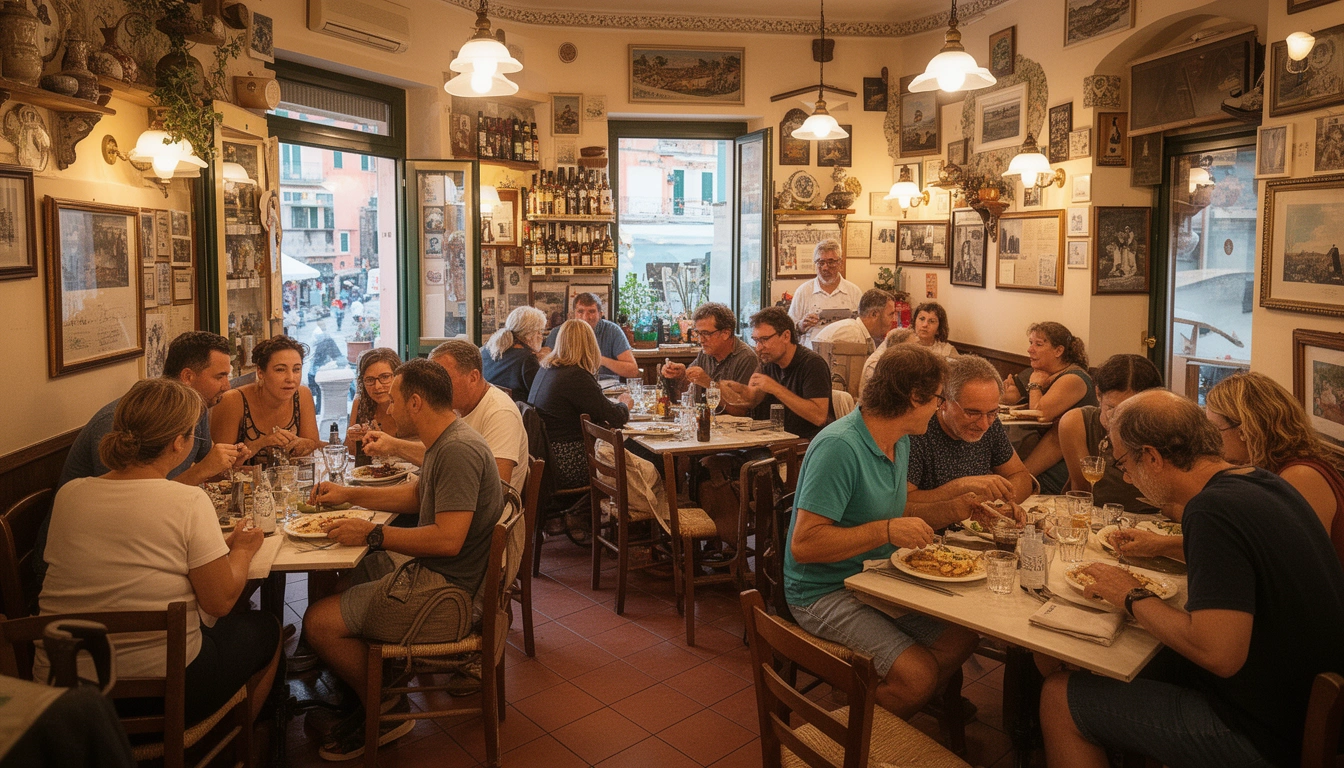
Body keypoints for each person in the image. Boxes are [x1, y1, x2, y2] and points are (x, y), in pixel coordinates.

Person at [1039, 390, 1344, 768]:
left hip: (1262, 734)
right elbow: (1242, 557)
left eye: (1123, 463)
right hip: (1302, 704)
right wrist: (1161, 546)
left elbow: (1220, 655)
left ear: (1151, 456)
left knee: (1059, 696)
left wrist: (1129, 594)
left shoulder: (1211, 510)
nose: (1128, 478)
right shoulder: (1262, 482)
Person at [37, 379, 280, 728]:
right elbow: (221, 602)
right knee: (266, 629)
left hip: (64, 687)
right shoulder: (187, 500)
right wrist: (241, 550)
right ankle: (228, 740)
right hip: (161, 690)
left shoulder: (70, 494)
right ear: (178, 443)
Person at [302, 359, 503, 760]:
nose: (388, 409)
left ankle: (387, 709)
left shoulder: (457, 451)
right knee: (347, 580)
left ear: (414, 403)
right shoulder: (447, 438)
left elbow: (448, 540)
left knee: (318, 622)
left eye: (393, 400)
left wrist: (373, 533)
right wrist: (349, 496)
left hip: (451, 596)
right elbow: (416, 498)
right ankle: (373, 683)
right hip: (446, 577)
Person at [785, 346, 982, 718]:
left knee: (962, 638)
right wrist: (887, 530)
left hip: (874, 579)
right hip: (822, 590)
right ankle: (838, 740)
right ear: (913, 398)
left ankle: (863, 699)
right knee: (919, 677)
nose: (941, 407)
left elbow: (894, 508)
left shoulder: (900, 439)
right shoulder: (839, 447)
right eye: (939, 398)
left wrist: (959, 508)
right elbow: (805, 545)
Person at [1119, 372, 1344, 565]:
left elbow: (1288, 564)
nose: (1211, 441)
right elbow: (1243, 551)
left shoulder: (1300, 476)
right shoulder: (1262, 472)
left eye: (1216, 430)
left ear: (1246, 429)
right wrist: (1159, 545)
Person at [60, 330, 244, 488]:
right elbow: (130, 502)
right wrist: (201, 471)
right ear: (188, 376)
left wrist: (227, 464)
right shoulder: (121, 420)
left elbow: (207, 466)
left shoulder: (198, 406)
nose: (227, 386)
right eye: (220, 376)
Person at [362, 341, 529, 494]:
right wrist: (393, 445)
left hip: (486, 523)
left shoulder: (500, 412)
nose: (433, 387)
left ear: (473, 377)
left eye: (443, 378)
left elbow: (496, 489)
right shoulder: (454, 406)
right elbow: (440, 454)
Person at [907, 355, 1033, 511]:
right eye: (972, 413)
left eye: (993, 412)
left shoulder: (990, 422)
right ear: (943, 401)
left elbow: (1021, 476)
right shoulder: (919, 429)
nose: (984, 424)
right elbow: (904, 501)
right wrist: (961, 487)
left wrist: (1000, 506)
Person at [528, 319, 633, 489]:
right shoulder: (575, 376)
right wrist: (625, 405)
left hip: (546, 458)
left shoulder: (546, 369)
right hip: (568, 463)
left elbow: (597, 407)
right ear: (590, 344)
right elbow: (614, 417)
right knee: (635, 454)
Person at [1058, 354, 1162, 513]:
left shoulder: (1164, 428)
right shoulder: (1076, 423)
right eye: (1112, 409)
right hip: (1100, 518)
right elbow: (1082, 492)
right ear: (1098, 394)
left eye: (1131, 412)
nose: (1120, 421)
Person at [1001, 322, 1097, 493]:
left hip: (1068, 463)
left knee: (1012, 485)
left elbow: (1040, 415)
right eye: (1030, 343)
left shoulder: (1074, 378)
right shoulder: (1046, 374)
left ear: (1058, 351)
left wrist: (1035, 385)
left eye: (1038, 344)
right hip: (1044, 454)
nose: (1030, 349)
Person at [719, 307, 833, 440]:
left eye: (764, 340)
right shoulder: (768, 362)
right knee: (711, 459)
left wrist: (775, 388)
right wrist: (736, 389)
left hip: (801, 446)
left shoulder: (812, 364)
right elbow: (752, 398)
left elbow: (819, 417)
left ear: (786, 336)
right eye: (756, 341)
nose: (759, 347)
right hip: (771, 440)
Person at [211, 335, 322, 464]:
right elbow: (218, 468)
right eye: (280, 370)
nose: (291, 378)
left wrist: (305, 444)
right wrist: (261, 443)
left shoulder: (302, 394)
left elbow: (314, 443)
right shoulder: (233, 400)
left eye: (296, 369)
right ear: (260, 372)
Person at [659, 302, 758, 411]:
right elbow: (688, 391)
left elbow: (741, 411)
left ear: (726, 333)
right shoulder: (706, 353)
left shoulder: (746, 358)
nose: (701, 340)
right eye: (698, 333)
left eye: (706, 333)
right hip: (706, 421)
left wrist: (709, 384)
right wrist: (681, 374)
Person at [540, 292, 639, 379]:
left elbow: (633, 371)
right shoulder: (559, 332)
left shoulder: (613, 331)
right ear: (572, 314)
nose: (585, 317)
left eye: (591, 312)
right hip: (570, 385)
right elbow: (544, 364)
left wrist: (600, 359)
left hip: (607, 388)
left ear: (600, 315)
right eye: (580, 311)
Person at [787, 239, 862, 348]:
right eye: (821, 263)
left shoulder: (854, 292)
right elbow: (788, 329)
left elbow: (862, 327)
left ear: (840, 263)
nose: (825, 268)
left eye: (830, 262)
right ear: (815, 264)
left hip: (846, 353)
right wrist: (800, 326)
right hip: (811, 354)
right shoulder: (803, 292)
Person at [481, 306, 545, 402]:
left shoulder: (486, 349)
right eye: (540, 331)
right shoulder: (527, 359)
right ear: (529, 335)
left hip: (486, 408)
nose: (541, 336)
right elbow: (540, 395)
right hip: (513, 413)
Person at [344, 348, 402, 453]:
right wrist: (353, 437)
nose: (377, 386)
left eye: (385, 377)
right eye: (370, 380)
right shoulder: (360, 403)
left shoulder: (412, 404)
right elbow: (350, 453)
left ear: (398, 376)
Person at [812, 289, 896, 352]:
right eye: (891, 314)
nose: (893, 319)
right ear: (874, 314)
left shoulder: (859, 332)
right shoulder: (851, 335)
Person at [859, 328, 915, 398]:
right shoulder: (876, 364)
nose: (916, 352)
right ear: (898, 348)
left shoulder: (901, 362)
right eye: (912, 348)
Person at [307, 320, 345, 414]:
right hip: (316, 373)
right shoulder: (323, 338)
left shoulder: (321, 337)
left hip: (314, 373)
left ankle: (319, 410)